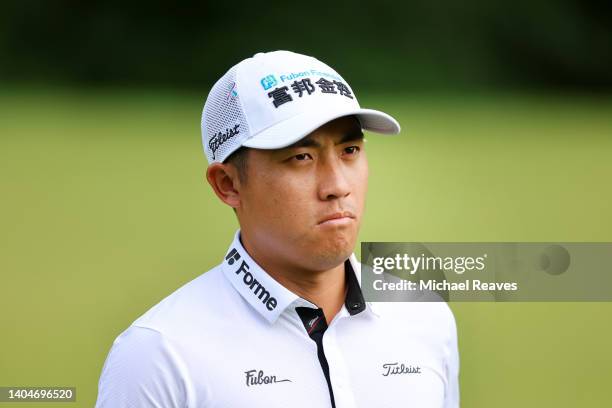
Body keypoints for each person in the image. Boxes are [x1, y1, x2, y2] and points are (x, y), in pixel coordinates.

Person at [95, 50, 460, 408]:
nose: (337, 185)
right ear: (228, 184)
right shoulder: (157, 354)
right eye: (301, 157)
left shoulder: (424, 315)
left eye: (349, 150)